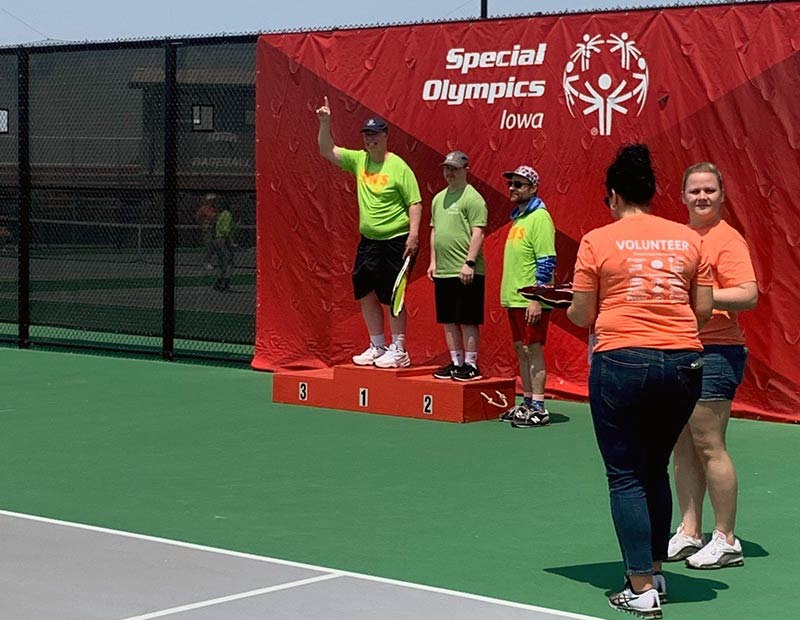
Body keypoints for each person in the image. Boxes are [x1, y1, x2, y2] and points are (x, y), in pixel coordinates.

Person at [567, 144, 713, 618]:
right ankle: (655, 571)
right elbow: (704, 310)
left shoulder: (596, 241)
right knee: (654, 469)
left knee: (626, 475)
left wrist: (563, 305)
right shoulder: (690, 239)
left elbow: (583, 314)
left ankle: (641, 588)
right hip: (684, 364)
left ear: (613, 196)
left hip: (622, 362)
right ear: (652, 194)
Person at [667, 162, 758, 569]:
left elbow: (748, 294)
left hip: (717, 352)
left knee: (709, 445)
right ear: (683, 195)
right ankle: (690, 532)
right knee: (682, 447)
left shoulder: (728, 239)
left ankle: (726, 539)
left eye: (709, 190)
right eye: (694, 191)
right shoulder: (679, 238)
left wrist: (703, 296)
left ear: (722, 195)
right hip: (680, 349)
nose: (701, 197)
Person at [316, 97, 422, 368]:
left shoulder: (398, 166)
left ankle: (399, 349)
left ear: (385, 137)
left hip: (396, 241)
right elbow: (327, 151)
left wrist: (413, 235)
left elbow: (415, 202)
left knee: (392, 295)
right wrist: (325, 122)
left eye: (375, 135)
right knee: (366, 293)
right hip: (368, 242)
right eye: (367, 136)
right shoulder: (359, 160)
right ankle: (377, 345)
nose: (371, 140)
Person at [497, 164, 557, 427]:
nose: (512, 188)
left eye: (519, 184)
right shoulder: (519, 218)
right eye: (511, 183)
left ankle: (540, 407)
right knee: (520, 350)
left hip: (530, 300)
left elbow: (546, 260)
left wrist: (537, 298)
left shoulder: (540, 218)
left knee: (532, 350)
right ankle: (527, 403)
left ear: (533, 188)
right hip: (514, 299)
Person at [426, 150, 488, 382]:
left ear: (465, 170)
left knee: (468, 318)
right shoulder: (438, 198)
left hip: (466, 270)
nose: (449, 173)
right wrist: (433, 261)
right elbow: (434, 231)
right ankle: (456, 362)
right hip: (443, 269)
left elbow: (478, 231)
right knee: (448, 318)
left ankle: (471, 365)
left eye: (454, 168)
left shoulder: (473, 198)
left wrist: (469, 262)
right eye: (447, 168)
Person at [212, 202, 236, 291]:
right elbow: (226, 230)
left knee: (224, 262)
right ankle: (225, 283)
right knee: (229, 262)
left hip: (218, 239)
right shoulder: (227, 215)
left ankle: (219, 283)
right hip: (223, 240)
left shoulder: (222, 214)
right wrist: (231, 242)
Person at [195, 193, 218, 270]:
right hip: (207, 229)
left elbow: (215, 218)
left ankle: (210, 261)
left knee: (214, 246)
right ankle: (206, 262)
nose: (212, 201)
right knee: (209, 245)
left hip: (213, 228)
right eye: (211, 200)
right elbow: (197, 217)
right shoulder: (203, 208)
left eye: (213, 200)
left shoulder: (213, 208)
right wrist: (202, 225)